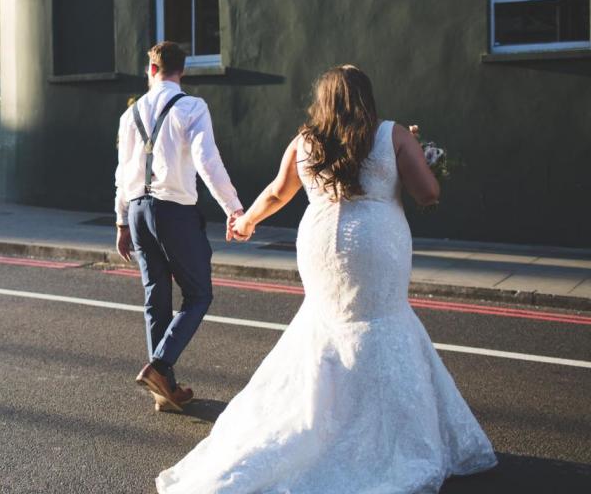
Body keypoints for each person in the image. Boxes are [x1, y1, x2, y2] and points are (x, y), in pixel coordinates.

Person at [156, 65, 496, 493]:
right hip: (375, 245)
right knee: (381, 321)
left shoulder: (305, 141)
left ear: (324, 100)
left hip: (319, 246)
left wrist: (245, 222)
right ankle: (377, 433)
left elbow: (279, 192)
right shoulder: (391, 133)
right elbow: (428, 193)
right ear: (365, 97)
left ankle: (320, 420)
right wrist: (415, 153)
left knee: (325, 326)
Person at [115, 41, 243, 413]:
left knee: (156, 297)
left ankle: (164, 391)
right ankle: (159, 366)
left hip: (138, 211)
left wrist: (122, 221)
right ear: (180, 71)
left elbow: (122, 173)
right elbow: (207, 159)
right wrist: (233, 208)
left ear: (150, 70)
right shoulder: (191, 106)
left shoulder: (129, 115)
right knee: (199, 294)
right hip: (174, 211)